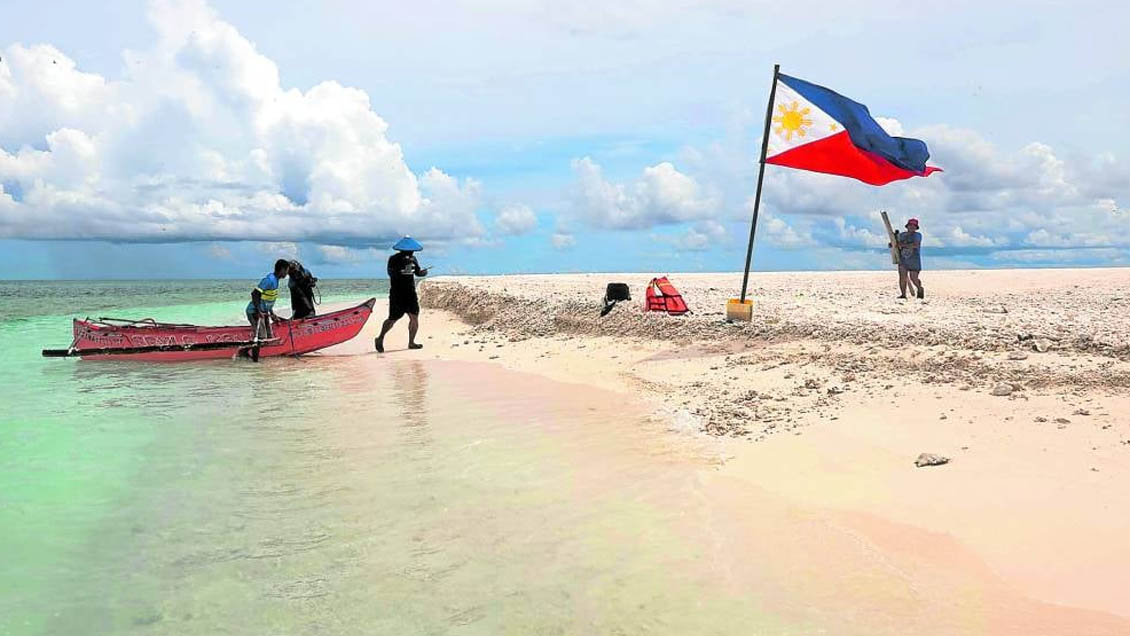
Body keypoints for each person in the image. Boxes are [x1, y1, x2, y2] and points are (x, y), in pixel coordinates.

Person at [375, 236, 429, 352]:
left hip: (411, 293)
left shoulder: (413, 259)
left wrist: (422, 273)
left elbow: (418, 272)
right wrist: (403, 270)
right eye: (409, 251)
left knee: (414, 317)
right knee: (392, 319)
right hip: (397, 293)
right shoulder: (393, 259)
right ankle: (380, 337)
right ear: (403, 250)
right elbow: (390, 273)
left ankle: (411, 342)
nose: (411, 253)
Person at [247, 259, 290, 340]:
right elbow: (255, 293)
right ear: (282, 269)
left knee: (270, 336)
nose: (287, 273)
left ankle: (269, 352)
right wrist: (259, 311)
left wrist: (272, 314)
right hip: (254, 312)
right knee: (262, 338)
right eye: (287, 270)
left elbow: (267, 300)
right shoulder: (269, 280)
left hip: (264, 312)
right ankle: (252, 352)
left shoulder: (276, 281)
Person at [894, 218, 924, 299]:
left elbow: (915, 245)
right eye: (910, 225)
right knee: (902, 277)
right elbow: (895, 243)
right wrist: (893, 244)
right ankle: (903, 294)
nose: (912, 227)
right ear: (907, 226)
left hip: (914, 260)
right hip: (903, 259)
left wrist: (902, 245)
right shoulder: (902, 235)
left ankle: (920, 288)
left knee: (913, 278)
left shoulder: (917, 235)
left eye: (914, 226)